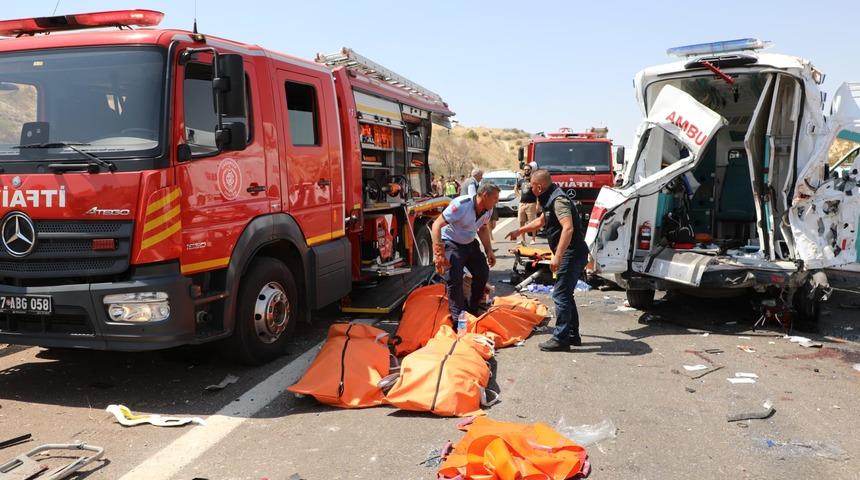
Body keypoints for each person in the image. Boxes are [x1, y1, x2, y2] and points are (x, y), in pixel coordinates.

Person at [505, 170, 588, 351]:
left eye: (532, 185)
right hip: (571, 253)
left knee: (560, 294)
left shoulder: (558, 200)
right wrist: (519, 231)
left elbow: (568, 228)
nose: (530, 188)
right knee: (565, 294)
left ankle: (561, 338)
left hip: (572, 254)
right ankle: (572, 335)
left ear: (539, 187)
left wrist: (557, 256)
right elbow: (543, 220)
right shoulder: (550, 198)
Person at [432, 183, 500, 325]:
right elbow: (436, 225)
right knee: (454, 278)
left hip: (469, 243)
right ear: (485, 195)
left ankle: (473, 308)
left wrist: (489, 250)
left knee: (482, 272)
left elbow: (482, 228)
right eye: (495, 198)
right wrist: (439, 253)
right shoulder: (461, 205)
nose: (497, 201)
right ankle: (458, 318)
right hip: (451, 242)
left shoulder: (488, 209)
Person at [514, 164, 537, 245]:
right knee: (521, 221)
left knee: (532, 222)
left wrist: (538, 204)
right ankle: (522, 239)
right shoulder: (521, 181)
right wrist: (519, 196)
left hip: (531, 204)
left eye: (528, 169)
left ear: (531, 170)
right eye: (525, 169)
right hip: (522, 204)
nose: (526, 171)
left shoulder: (533, 180)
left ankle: (533, 239)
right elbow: (515, 188)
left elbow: (538, 191)